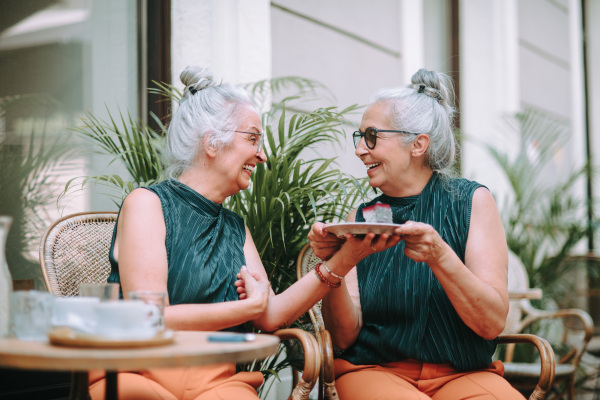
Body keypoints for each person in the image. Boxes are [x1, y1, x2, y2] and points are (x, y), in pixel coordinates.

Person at [89, 66, 342, 400]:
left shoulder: (236, 228)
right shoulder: (147, 204)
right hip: (137, 375)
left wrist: (344, 258)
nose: (262, 155)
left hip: (218, 386)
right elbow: (151, 317)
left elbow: (270, 315)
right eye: (252, 138)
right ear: (211, 142)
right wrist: (246, 309)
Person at [307, 68, 525, 399]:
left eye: (372, 137)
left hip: (463, 374)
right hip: (375, 371)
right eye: (360, 137)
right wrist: (334, 264)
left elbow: (491, 323)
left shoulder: (470, 202)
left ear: (418, 145)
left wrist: (440, 257)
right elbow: (344, 338)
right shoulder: (364, 218)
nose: (359, 150)